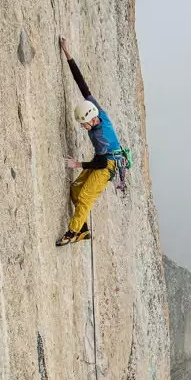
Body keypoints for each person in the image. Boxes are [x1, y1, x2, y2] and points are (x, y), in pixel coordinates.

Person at [56, 36, 125, 246]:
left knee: (85, 197)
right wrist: (68, 53)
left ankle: (72, 233)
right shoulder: (95, 109)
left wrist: (78, 164)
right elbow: (82, 85)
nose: (83, 127)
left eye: (84, 124)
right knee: (76, 190)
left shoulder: (102, 134)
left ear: (92, 120)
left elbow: (102, 164)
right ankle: (83, 230)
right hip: (101, 158)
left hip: (108, 163)